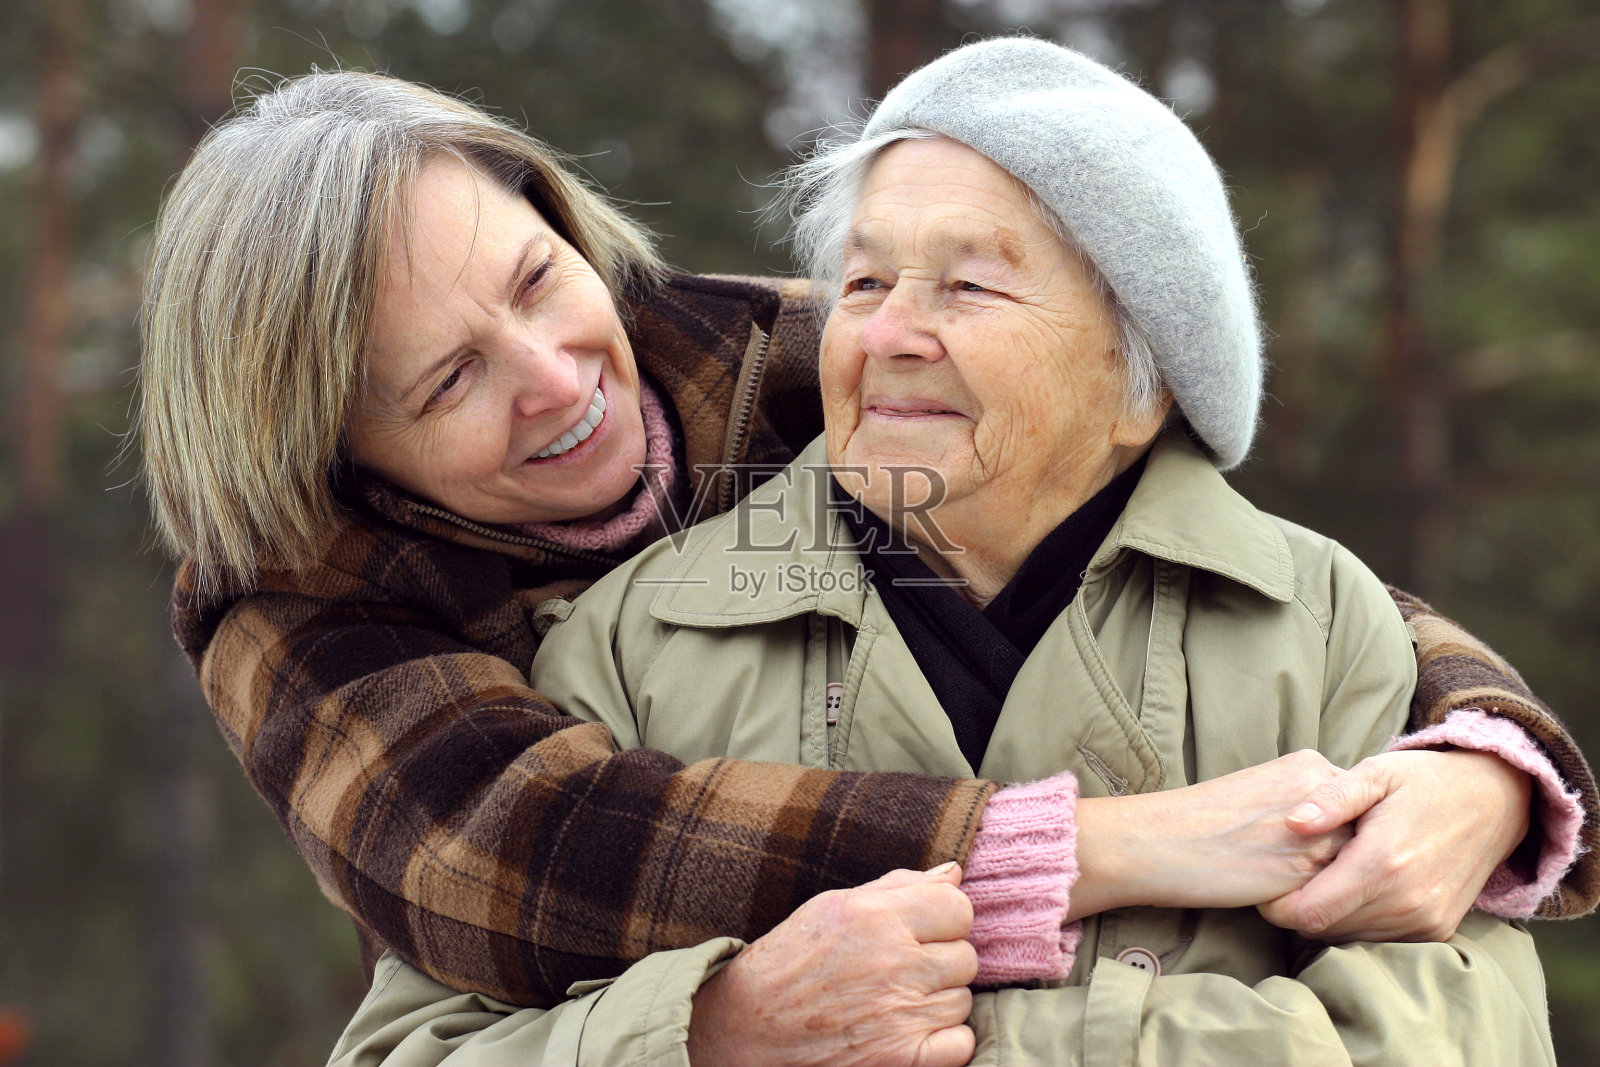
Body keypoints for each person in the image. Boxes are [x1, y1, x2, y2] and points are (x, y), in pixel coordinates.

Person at [134, 60, 1591, 1056]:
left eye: (537, 278)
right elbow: (517, 854)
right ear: (338, 455)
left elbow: (1218, 551)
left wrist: (1480, 750)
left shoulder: (776, 352)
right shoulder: (308, 601)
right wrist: (719, 1034)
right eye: (446, 382)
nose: (559, 376)